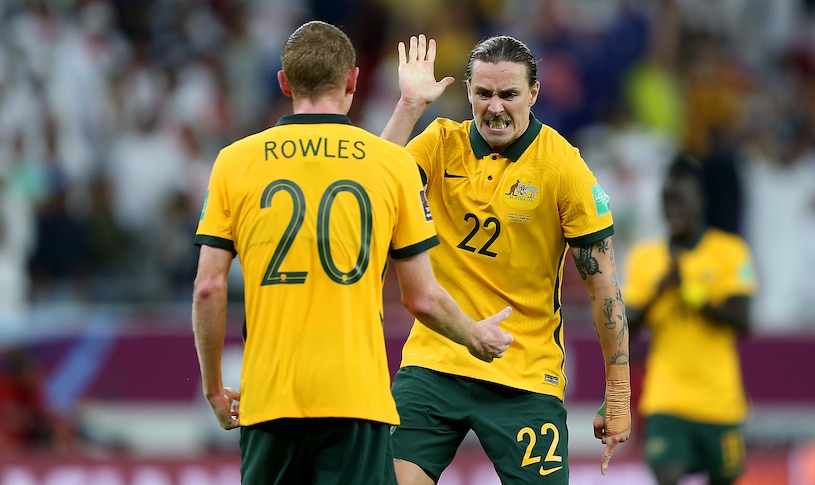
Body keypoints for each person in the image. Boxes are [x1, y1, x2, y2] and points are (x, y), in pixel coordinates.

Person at [191, 21, 514, 485]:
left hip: (268, 399)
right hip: (356, 402)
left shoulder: (234, 162)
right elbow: (421, 297)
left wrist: (212, 389)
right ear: (352, 81)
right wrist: (474, 336)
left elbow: (208, 288)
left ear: (284, 82)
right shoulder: (391, 166)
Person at [380, 34, 632, 483]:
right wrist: (409, 105)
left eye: (509, 94)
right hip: (437, 363)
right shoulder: (439, 144)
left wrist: (618, 393)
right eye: (483, 94)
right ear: (469, 93)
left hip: (525, 374)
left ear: (534, 94)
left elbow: (604, 287)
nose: (495, 107)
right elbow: (372, 187)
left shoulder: (562, 167)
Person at [623, 155, 756, 485]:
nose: (673, 208)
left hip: (720, 402)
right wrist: (658, 293)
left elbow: (743, 320)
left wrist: (690, 293)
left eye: (681, 199)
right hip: (667, 400)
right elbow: (624, 329)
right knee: (667, 476)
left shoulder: (731, 251)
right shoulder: (646, 258)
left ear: (701, 200)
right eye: (667, 200)